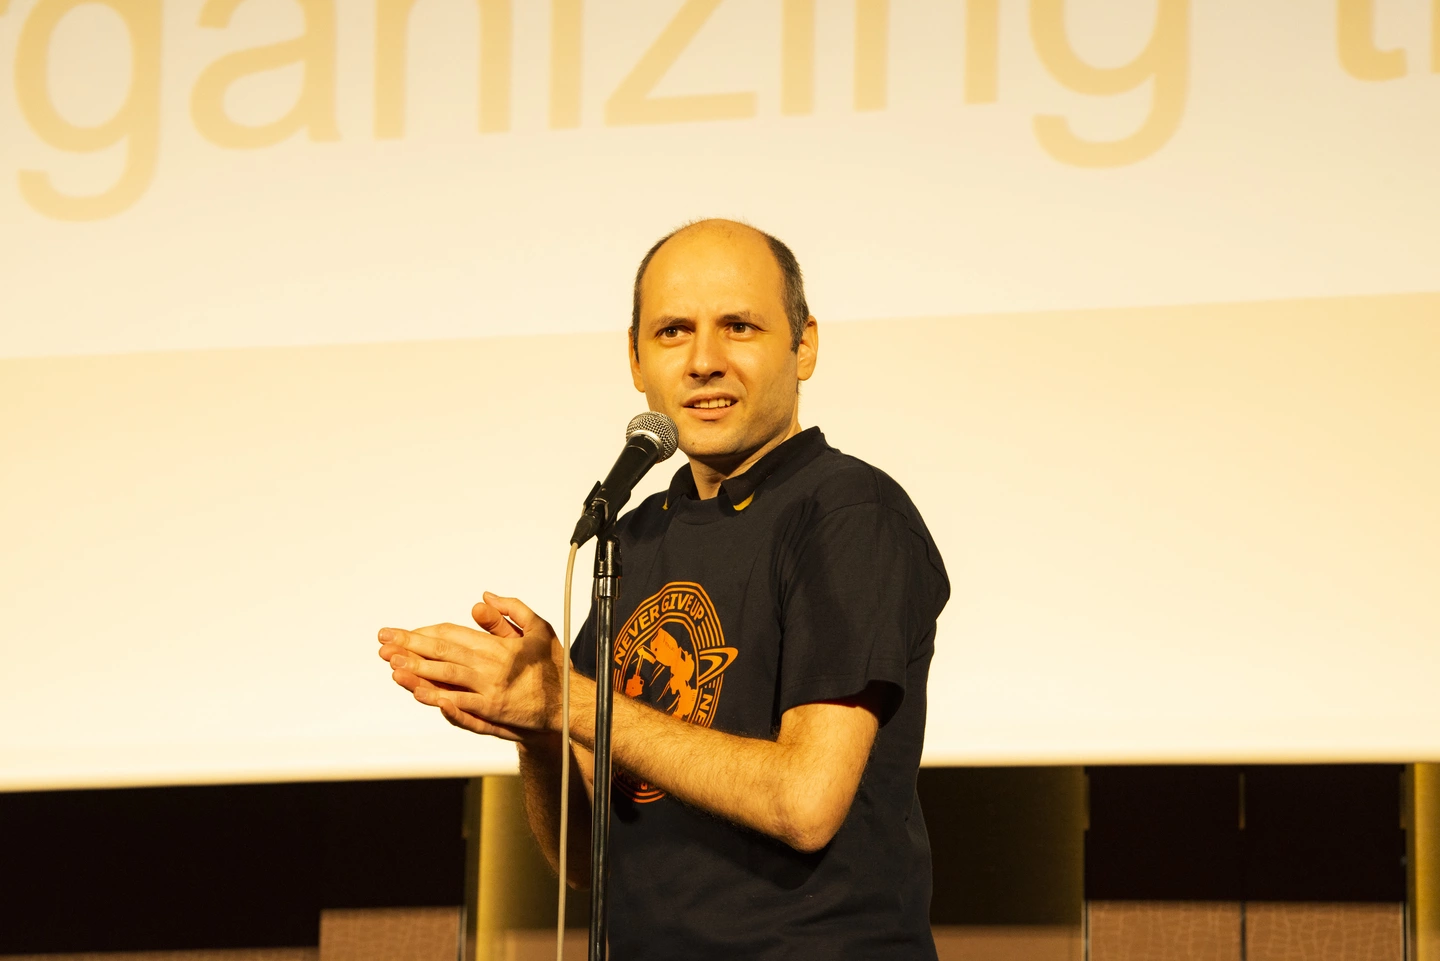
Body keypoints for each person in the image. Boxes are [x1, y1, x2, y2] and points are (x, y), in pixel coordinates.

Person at [378, 219, 950, 959]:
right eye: (674, 331)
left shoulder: (845, 511)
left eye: (739, 326)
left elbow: (806, 802)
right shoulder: (635, 534)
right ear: (635, 357)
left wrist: (568, 700)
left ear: (804, 345)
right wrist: (539, 731)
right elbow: (584, 864)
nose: (704, 361)